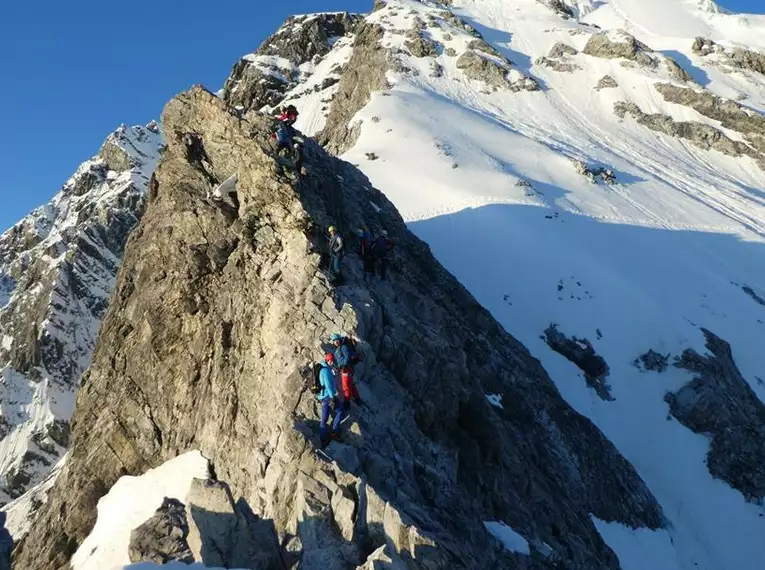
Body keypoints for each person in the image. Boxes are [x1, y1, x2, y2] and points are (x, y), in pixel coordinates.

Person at [331, 333, 362, 413]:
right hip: (345, 369)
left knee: (346, 387)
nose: (336, 342)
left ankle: (347, 403)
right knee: (351, 385)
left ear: (339, 340)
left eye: (337, 340)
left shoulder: (343, 347)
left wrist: (343, 365)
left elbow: (347, 357)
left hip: (346, 369)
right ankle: (357, 399)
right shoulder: (338, 349)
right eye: (334, 341)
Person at [317, 352, 343, 447]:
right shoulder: (326, 371)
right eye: (332, 361)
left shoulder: (322, 368)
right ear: (329, 360)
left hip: (322, 396)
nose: (333, 363)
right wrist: (333, 397)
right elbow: (328, 385)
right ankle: (334, 431)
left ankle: (323, 438)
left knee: (324, 418)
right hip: (328, 396)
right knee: (340, 410)